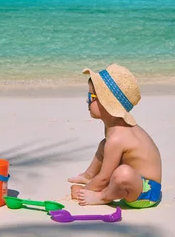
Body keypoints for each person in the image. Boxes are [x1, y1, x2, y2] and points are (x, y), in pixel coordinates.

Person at [68, 64, 162, 208]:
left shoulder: (118, 137)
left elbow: (105, 178)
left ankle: (103, 197)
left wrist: (83, 191)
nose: (87, 101)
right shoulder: (115, 128)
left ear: (107, 104)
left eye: (91, 97)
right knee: (103, 145)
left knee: (122, 173)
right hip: (137, 180)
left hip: (146, 192)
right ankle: (88, 176)